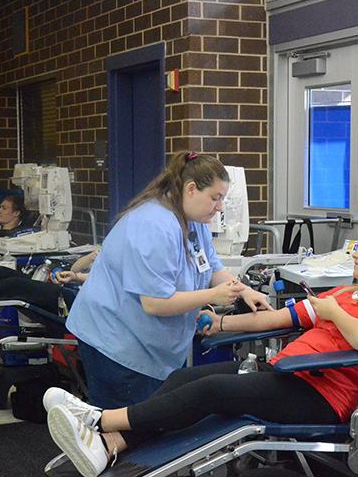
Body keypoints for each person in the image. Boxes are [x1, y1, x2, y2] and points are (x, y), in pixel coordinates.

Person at [44, 218, 358, 477]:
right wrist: (220, 322)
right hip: (289, 374)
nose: (354, 251)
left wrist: (331, 311)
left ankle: (100, 419)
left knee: (211, 392)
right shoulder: (347, 293)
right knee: (183, 378)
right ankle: (110, 444)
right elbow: (274, 319)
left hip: (321, 395)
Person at [67, 151, 273, 409]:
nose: (219, 207)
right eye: (215, 198)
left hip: (144, 341)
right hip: (115, 341)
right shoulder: (155, 225)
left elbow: (210, 266)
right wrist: (211, 297)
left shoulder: (194, 219)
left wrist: (243, 290)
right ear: (191, 189)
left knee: (146, 424)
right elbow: (155, 303)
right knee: (126, 425)